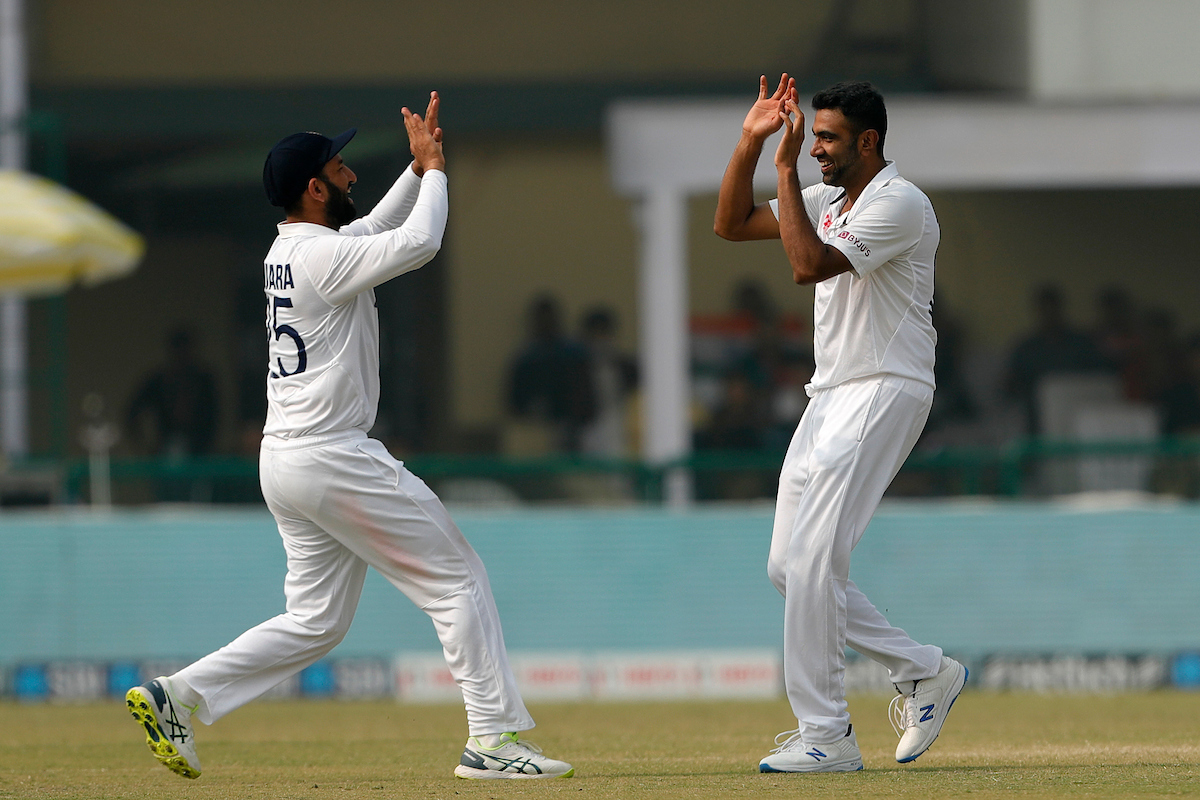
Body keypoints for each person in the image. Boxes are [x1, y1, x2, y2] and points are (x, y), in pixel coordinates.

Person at [125, 93, 573, 781]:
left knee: (316, 623)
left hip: (285, 460)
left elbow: (375, 228)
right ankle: (493, 740)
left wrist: (422, 170)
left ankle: (177, 695)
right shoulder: (320, 259)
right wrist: (436, 174)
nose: (351, 175)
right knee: (458, 580)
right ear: (313, 187)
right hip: (333, 454)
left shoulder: (297, 250)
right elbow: (419, 242)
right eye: (339, 168)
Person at [714, 75, 966, 772]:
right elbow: (730, 223)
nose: (817, 145)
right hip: (831, 392)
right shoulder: (827, 197)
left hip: (887, 385)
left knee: (815, 562)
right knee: (787, 568)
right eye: (813, 134)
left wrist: (787, 170)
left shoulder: (901, 204)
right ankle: (923, 670)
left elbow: (807, 264)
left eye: (827, 137)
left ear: (868, 141)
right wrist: (750, 142)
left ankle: (827, 735)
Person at [507, 294, 594, 452]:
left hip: (575, 428)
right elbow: (515, 402)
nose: (545, 324)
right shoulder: (526, 359)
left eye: (549, 319)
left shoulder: (574, 354)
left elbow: (586, 395)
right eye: (541, 320)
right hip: (535, 430)